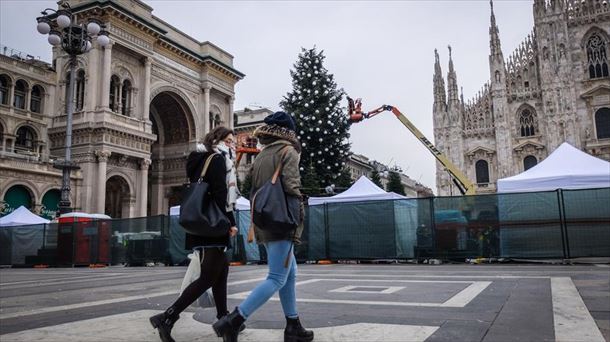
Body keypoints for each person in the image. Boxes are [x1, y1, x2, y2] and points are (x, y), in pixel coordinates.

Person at [213, 112, 314, 342]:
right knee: (277, 277)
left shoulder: (262, 154)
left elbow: (255, 188)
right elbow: (291, 185)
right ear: (289, 133)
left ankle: (293, 325)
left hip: (265, 218)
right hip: (282, 220)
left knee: (290, 274)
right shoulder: (289, 152)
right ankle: (234, 320)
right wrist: (300, 205)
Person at [150, 126, 240, 342]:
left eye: (233, 142)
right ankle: (168, 317)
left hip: (199, 222)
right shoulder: (218, 160)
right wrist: (231, 222)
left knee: (221, 270)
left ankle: (223, 319)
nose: (232, 145)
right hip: (214, 223)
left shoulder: (196, 158)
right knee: (209, 276)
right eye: (228, 141)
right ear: (217, 140)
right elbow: (220, 193)